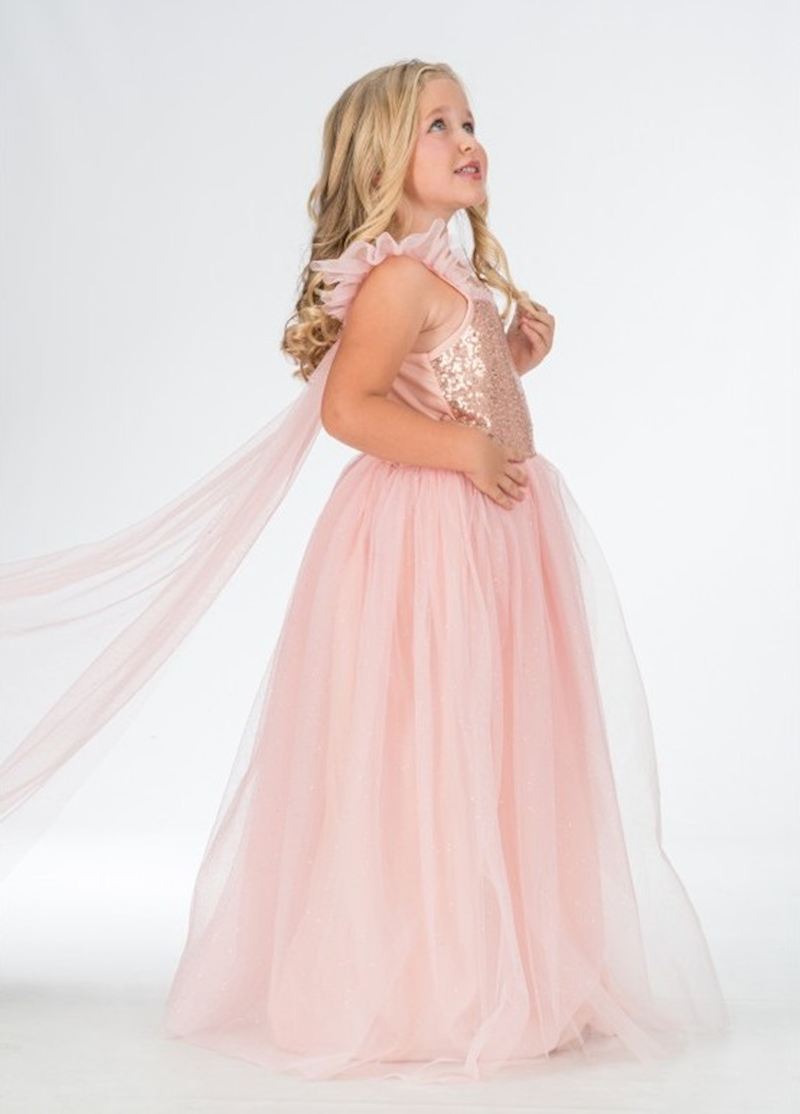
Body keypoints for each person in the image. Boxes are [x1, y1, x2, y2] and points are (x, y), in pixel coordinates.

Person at [0, 59, 729, 1084]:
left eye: (468, 119)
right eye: (438, 125)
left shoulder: (449, 279)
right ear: (383, 161)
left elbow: (444, 386)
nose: (466, 138)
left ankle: (495, 963)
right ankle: (426, 979)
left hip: (495, 533)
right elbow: (351, 408)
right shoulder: (393, 282)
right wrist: (465, 448)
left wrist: (509, 362)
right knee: (429, 744)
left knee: (493, 741)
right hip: (429, 540)